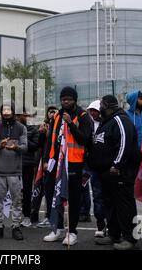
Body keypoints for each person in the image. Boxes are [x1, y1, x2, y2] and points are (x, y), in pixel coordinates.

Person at [89, 95, 141, 250]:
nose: (100, 108)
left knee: (124, 205)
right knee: (109, 204)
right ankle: (114, 234)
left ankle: (130, 239)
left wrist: (117, 164)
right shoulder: (106, 122)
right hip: (105, 173)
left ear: (107, 105)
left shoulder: (120, 120)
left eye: (102, 105)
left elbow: (124, 143)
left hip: (119, 172)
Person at [42, 87, 93, 246]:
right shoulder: (56, 115)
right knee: (52, 195)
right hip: (55, 163)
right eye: (64, 99)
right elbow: (50, 139)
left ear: (75, 100)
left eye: (69, 99)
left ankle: (71, 232)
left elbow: (85, 140)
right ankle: (56, 229)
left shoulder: (83, 116)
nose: (66, 102)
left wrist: (71, 124)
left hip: (73, 164)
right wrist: (46, 159)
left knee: (73, 199)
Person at [0, 102, 27, 240]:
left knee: (17, 200)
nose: (6, 112)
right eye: (3, 109)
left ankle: (16, 226)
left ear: (13, 111)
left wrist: (15, 147)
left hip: (15, 172)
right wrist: (1, 145)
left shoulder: (21, 128)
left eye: (8, 109)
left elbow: (25, 147)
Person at [83, 100, 107, 238]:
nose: (92, 113)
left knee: (108, 196)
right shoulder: (88, 124)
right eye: (90, 110)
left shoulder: (108, 123)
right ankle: (100, 225)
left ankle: (112, 225)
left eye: (95, 110)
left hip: (107, 166)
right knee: (97, 196)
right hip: (93, 167)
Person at [32, 106, 58, 227]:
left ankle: (52, 216)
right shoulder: (44, 126)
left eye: (54, 111)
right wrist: (42, 133)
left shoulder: (59, 126)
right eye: (49, 112)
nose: (51, 114)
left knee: (53, 190)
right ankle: (42, 215)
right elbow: (40, 145)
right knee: (41, 188)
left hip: (56, 162)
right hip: (43, 162)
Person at [18, 109, 40, 228]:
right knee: (15, 191)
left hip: (27, 164)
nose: (24, 117)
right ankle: (16, 216)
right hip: (13, 164)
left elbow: (35, 146)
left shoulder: (33, 129)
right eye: (23, 114)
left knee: (27, 191)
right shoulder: (14, 127)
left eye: (27, 115)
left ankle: (27, 216)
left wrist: (23, 138)